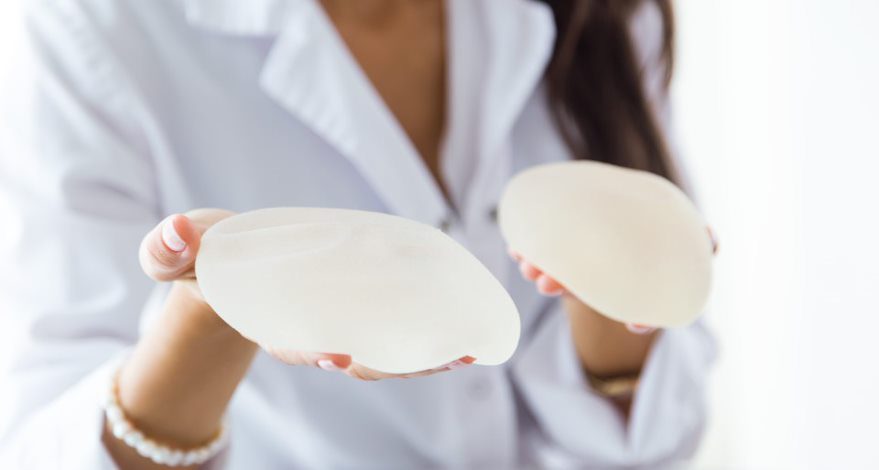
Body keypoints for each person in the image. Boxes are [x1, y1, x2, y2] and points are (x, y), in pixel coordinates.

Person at [0, 0, 716, 468]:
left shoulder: (602, 18)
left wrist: (618, 291)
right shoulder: (96, 30)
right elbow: (46, 445)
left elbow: (653, 440)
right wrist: (213, 314)